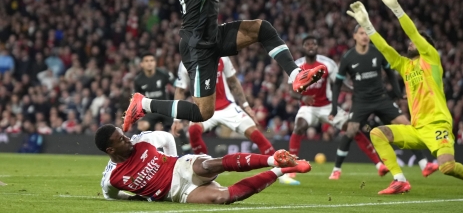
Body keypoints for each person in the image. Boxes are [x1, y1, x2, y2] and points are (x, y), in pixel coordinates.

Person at [131, 0, 326, 128]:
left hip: (213, 36)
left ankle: (296, 75)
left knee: (262, 28)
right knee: (203, 112)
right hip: (198, 47)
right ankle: (143, 103)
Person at [347, 0, 463, 196]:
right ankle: (399, 180)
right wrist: (367, 25)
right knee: (377, 133)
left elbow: (413, 33)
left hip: (437, 124)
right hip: (416, 128)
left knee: (447, 167)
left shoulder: (431, 59)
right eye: (412, 43)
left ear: (425, 45)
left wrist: (397, 9)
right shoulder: (405, 65)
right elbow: (385, 49)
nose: (411, 44)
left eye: (416, 43)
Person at [328, 26, 438, 180]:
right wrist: (334, 108)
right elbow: (337, 84)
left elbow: (390, 73)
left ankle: (424, 164)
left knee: (406, 124)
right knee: (351, 131)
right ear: (354, 36)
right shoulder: (348, 57)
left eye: (367, 33)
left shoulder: (376, 51)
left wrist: (398, 93)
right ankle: (336, 169)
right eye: (361, 33)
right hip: (361, 101)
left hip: (381, 98)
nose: (365, 36)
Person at [96, 125, 311, 203]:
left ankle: (273, 158)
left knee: (207, 166)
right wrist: (134, 197)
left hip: (182, 166)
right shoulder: (112, 178)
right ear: (111, 150)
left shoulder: (143, 140)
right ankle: (281, 169)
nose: (127, 139)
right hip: (177, 194)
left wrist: (175, 159)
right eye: (121, 140)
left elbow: (168, 138)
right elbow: (110, 195)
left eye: (124, 135)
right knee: (222, 197)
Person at [175, 57, 299, 185]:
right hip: (203, 108)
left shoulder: (222, 58)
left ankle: (280, 171)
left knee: (256, 134)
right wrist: (176, 119)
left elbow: (233, 82)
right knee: (193, 130)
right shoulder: (186, 62)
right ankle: (203, 170)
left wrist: (245, 106)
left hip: (228, 108)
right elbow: (179, 90)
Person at [287, 36, 351, 182]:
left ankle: (378, 164)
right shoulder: (296, 65)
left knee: (351, 127)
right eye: (307, 44)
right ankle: (291, 166)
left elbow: (338, 83)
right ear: (303, 47)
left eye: (314, 44)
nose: (311, 46)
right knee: (299, 126)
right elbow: (290, 91)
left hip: (327, 105)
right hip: (307, 107)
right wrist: (302, 98)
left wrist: (353, 89)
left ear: (317, 47)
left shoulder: (327, 63)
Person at [133, 52, 177, 132]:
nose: (149, 63)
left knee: (177, 127)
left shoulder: (163, 74)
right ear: (141, 64)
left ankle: (186, 143)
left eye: (152, 60)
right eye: (146, 61)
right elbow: (136, 100)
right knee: (141, 127)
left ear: (155, 62)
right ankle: (137, 144)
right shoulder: (138, 80)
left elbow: (178, 86)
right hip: (150, 111)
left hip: (165, 109)